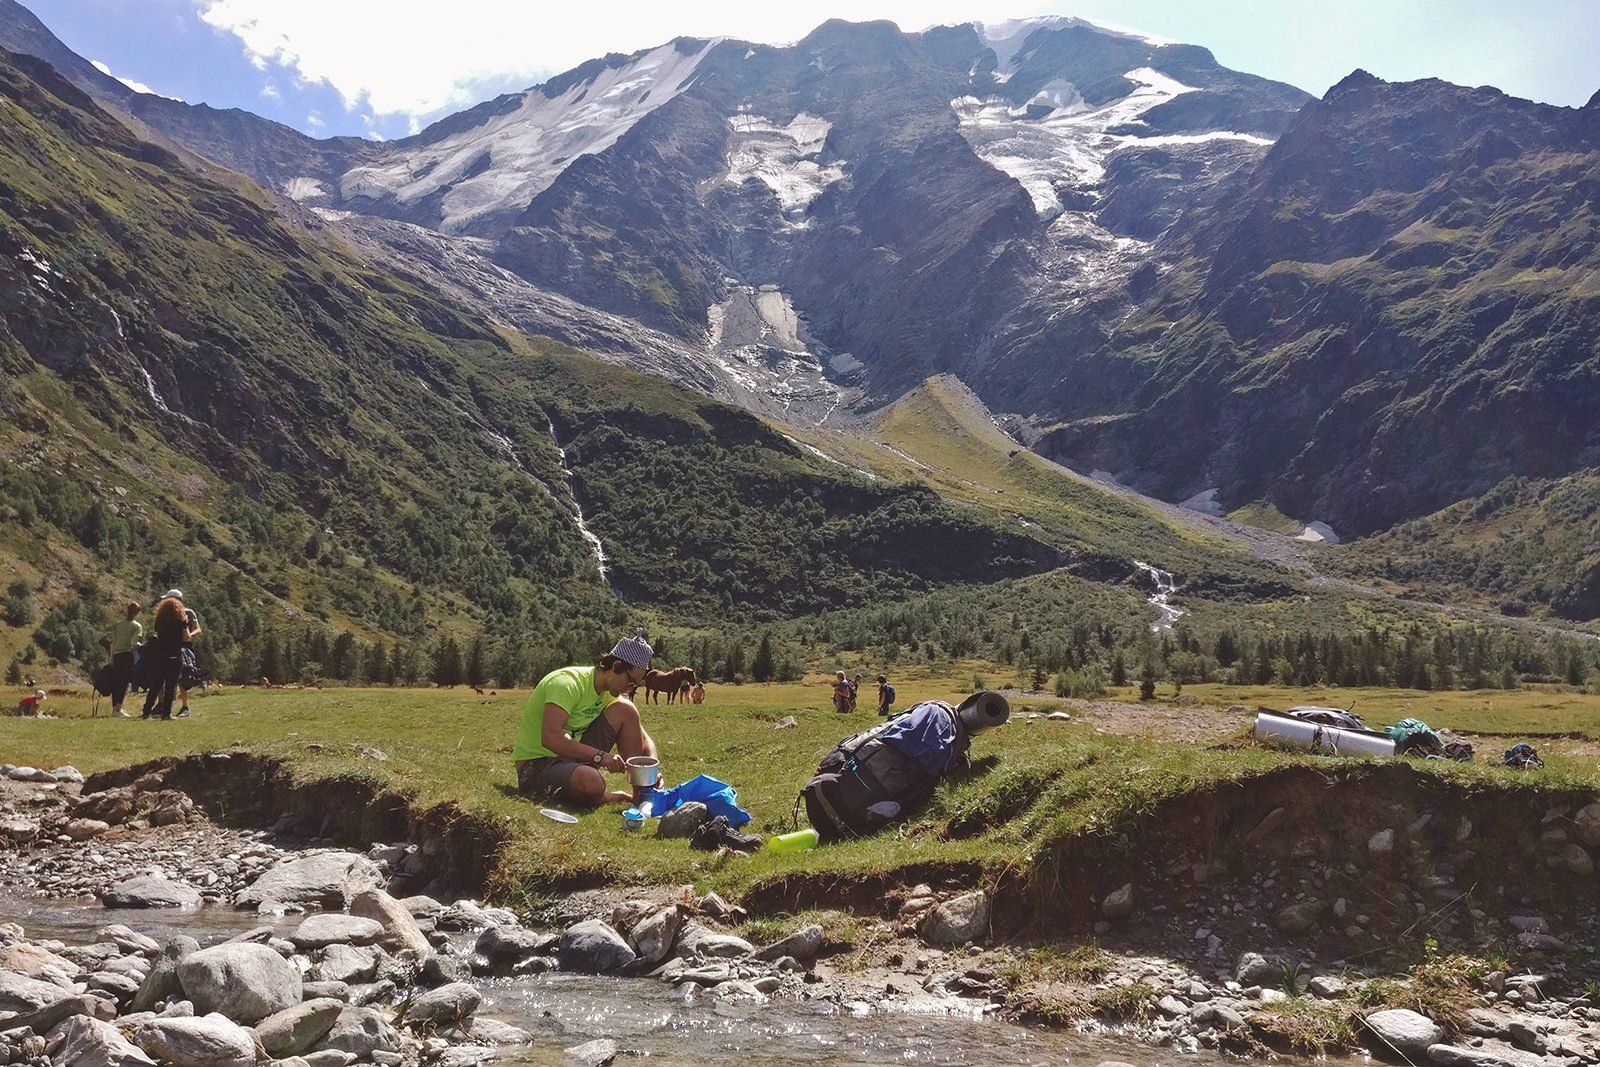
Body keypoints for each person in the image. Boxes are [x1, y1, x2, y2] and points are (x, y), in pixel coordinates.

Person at [512, 630, 658, 807]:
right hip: (537, 765)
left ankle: (641, 795)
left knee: (627, 709)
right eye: (630, 681)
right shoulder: (566, 684)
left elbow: (643, 737)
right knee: (591, 781)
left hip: (569, 759)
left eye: (635, 685)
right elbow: (550, 738)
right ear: (617, 666)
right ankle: (602, 795)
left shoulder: (609, 692)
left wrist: (652, 768)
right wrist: (600, 757)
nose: (631, 688)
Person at [140, 596, 188, 720]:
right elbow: (186, 637)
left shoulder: (160, 621)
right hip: (174, 654)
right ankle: (166, 713)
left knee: (156, 684)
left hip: (160, 655)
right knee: (170, 685)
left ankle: (146, 711)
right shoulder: (180, 621)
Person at [158, 588, 202, 717]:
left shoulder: (188, 612)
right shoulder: (166, 615)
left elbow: (197, 628)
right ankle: (162, 705)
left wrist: (189, 635)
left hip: (184, 647)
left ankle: (184, 706)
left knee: (184, 676)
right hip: (171, 646)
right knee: (166, 677)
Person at [103, 601, 143, 719]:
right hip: (127, 655)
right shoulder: (137, 626)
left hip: (116, 655)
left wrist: (111, 657)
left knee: (116, 681)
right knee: (124, 682)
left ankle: (115, 707)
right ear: (137, 613)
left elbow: (113, 642)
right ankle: (118, 708)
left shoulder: (118, 625)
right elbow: (134, 643)